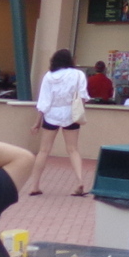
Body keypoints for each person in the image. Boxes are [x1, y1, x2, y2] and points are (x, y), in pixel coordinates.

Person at [25, 48, 90, 196]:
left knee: (44, 150)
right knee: (73, 149)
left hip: (51, 114)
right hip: (71, 114)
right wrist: (80, 112)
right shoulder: (78, 75)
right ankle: (79, 181)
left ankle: (35, 185)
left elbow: (44, 102)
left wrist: (37, 122)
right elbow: (83, 97)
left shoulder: (49, 76)